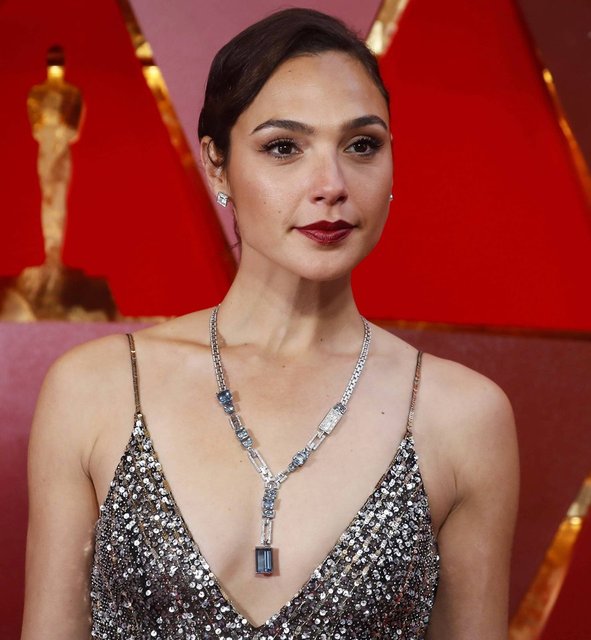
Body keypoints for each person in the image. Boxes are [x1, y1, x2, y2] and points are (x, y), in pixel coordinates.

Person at [21, 8, 519, 639]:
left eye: (362, 145)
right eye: (284, 147)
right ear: (217, 164)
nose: (331, 185)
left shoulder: (464, 417)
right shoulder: (96, 390)